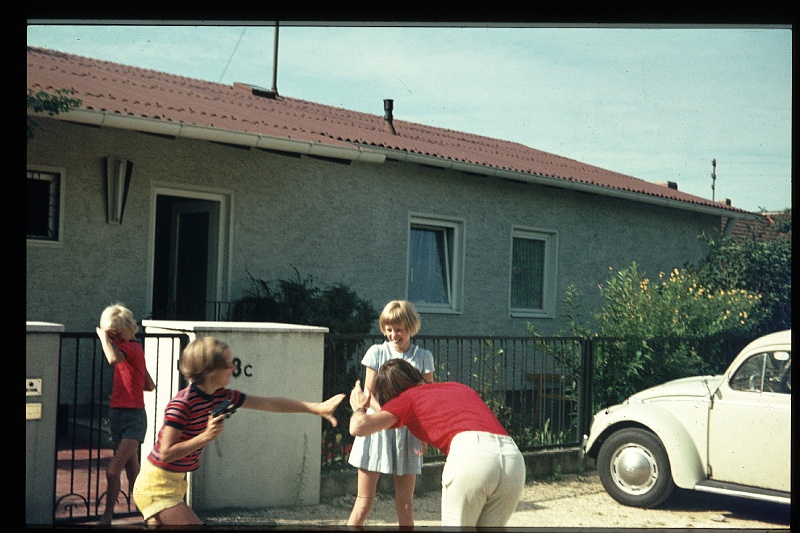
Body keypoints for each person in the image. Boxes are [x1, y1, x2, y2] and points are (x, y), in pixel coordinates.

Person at [132, 336, 345, 526]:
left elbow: (270, 404)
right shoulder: (182, 404)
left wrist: (316, 408)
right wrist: (205, 437)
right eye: (228, 363)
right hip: (157, 485)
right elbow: (165, 453)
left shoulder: (221, 396)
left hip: (174, 483)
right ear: (210, 369)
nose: (233, 367)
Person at [349, 358, 526, 528]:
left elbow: (358, 427)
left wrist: (360, 406)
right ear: (415, 374)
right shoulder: (457, 387)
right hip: (513, 460)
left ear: (390, 395)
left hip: (472, 457)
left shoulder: (406, 398)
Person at [346, 300, 435, 527]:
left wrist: (424, 436)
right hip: (376, 429)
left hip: (407, 433)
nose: (393, 334)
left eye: (399, 329)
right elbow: (369, 393)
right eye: (389, 329)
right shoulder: (376, 353)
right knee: (364, 502)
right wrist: (387, 415)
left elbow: (427, 398)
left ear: (410, 327)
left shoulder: (423, 357)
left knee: (405, 505)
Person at [96, 303, 156, 525]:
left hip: (133, 418)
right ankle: (148, 513)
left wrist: (103, 337)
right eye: (113, 336)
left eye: (118, 334)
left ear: (129, 329)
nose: (116, 340)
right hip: (117, 415)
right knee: (133, 471)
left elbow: (112, 359)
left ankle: (107, 517)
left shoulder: (130, 348)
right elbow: (149, 385)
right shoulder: (130, 350)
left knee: (113, 471)